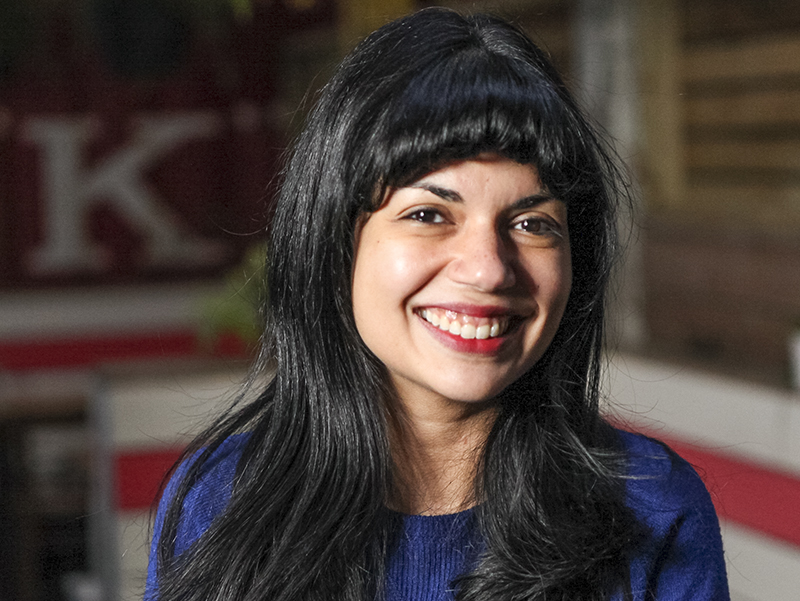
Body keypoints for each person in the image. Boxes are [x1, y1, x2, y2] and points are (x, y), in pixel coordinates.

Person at [145, 8, 729, 601]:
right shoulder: (226, 499)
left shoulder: (652, 510)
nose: (488, 268)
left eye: (531, 223)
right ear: (336, 241)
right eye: (428, 215)